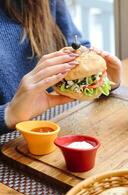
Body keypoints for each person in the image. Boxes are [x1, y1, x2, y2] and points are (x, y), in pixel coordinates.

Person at [0, 0, 121, 134]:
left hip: (63, 118)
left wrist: (102, 79)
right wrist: (8, 114)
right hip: (8, 138)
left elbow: (76, 45)